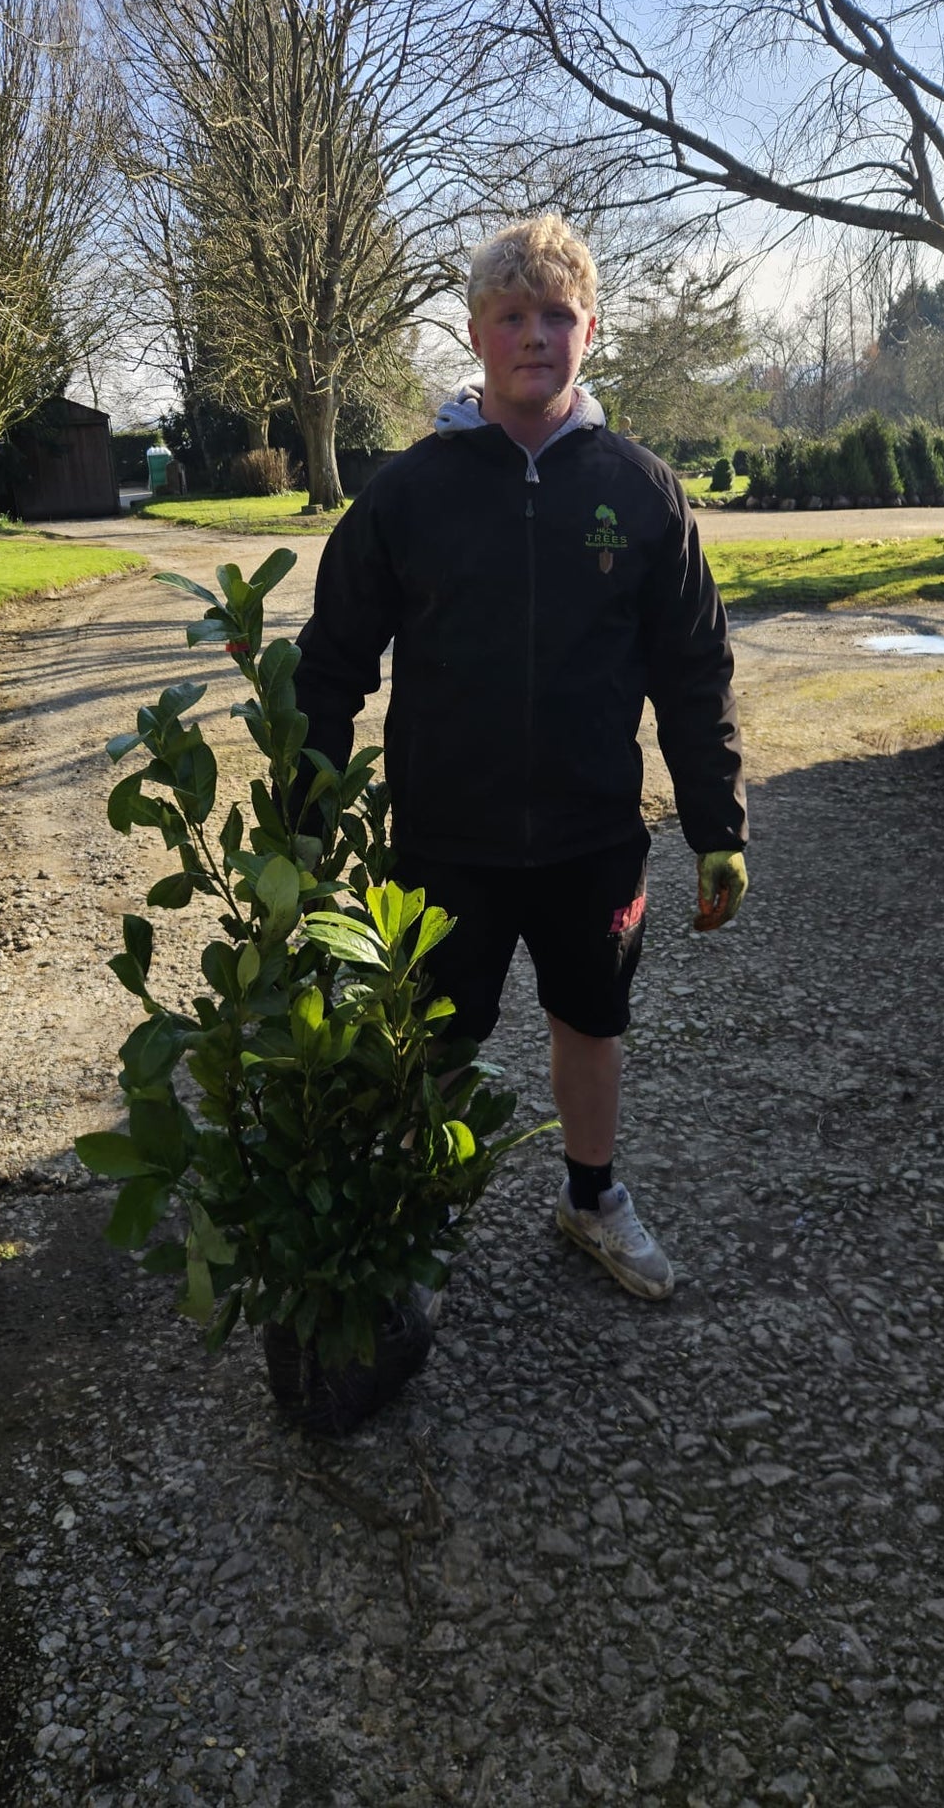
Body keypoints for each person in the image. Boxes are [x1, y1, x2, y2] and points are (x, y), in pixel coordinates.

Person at [293, 214, 747, 1299]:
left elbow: (692, 667)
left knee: (589, 1022)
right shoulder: (408, 493)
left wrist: (715, 823)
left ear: (589, 330)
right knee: (434, 1042)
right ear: (475, 332)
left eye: (554, 315)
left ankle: (590, 1199)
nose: (532, 335)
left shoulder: (641, 492)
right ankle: (408, 1228)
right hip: (448, 838)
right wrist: (301, 811)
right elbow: (332, 659)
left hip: (595, 833)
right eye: (510, 316)